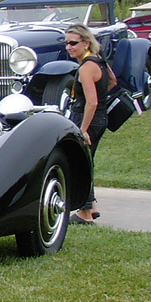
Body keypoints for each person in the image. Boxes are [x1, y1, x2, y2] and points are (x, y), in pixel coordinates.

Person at [65, 23, 116, 225]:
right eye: (67, 43)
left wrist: (83, 129)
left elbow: (92, 101)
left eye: (73, 43)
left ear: (86, 43)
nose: (69, 47)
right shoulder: (99, 61)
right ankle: (92, 206)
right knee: (87, 162)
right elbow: (112, 80)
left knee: (80, 166)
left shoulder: (87, 67)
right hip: (101, 118)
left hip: (88, 119)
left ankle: (85, 213)